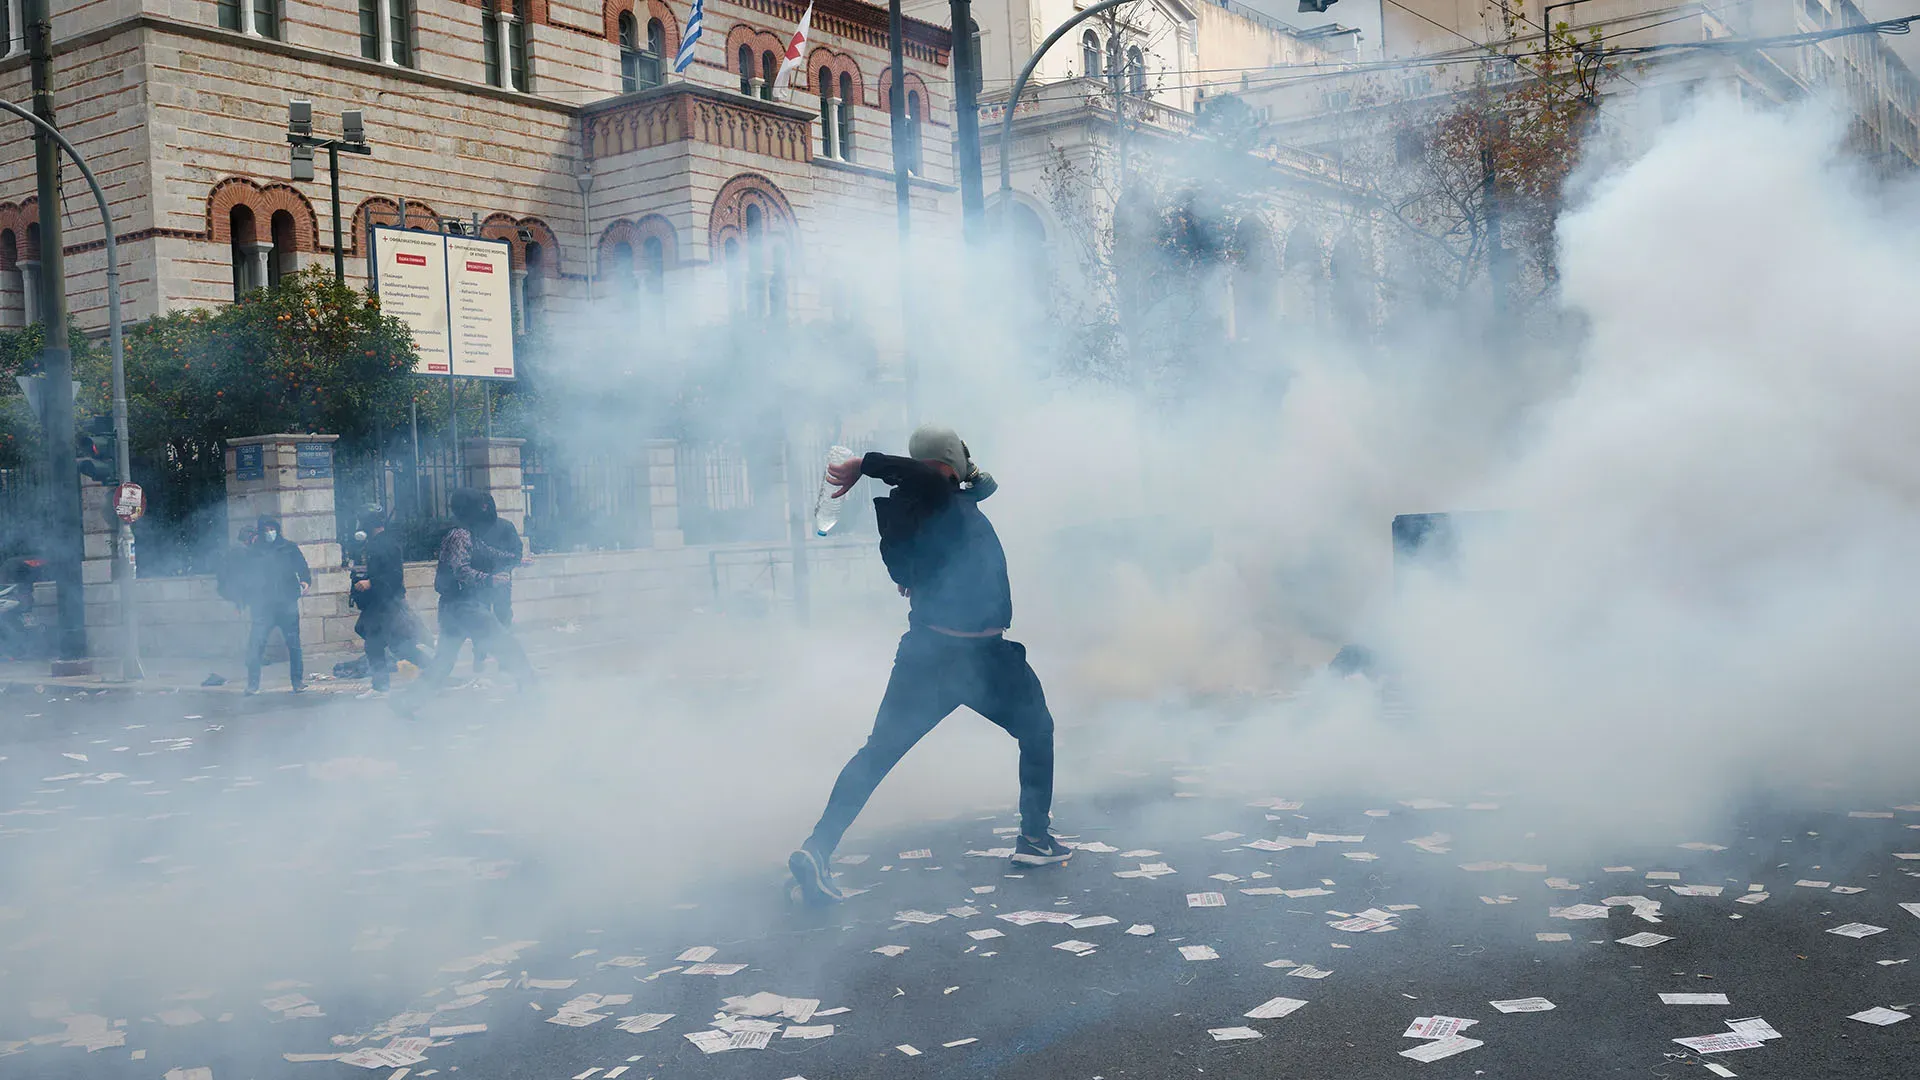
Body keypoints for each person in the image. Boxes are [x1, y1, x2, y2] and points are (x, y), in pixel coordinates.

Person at [788, 426, 1068, 906]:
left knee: (878, 753)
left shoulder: (914, 509)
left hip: (929, 655)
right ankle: (1034, 839)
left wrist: (964, 470)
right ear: (944, 463)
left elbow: (981, 488)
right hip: (979, 658)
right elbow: (936, 478)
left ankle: (818, 848)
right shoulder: (935, 494)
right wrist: (865, 465)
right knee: (1037, 732)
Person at [396, 488, 536, 710]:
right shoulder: (460, 535)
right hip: (465, 606)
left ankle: (406, 702)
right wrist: (490, 580)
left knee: (443, 662)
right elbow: (461, 570)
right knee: (506, 644)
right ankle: (533, 692)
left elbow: (487, 551)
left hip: (453, 607)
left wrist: (517, 560)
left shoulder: (465, 533)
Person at [350, 504, 432, 698]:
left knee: (397, 645)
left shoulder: (386, 544)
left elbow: (395, 576)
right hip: (379, 603)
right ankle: (381, 686)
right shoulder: (376, 543)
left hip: (388, 604)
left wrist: (371, 582)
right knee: (375, 644)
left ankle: (435, 671)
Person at [241, 514, 311, 695]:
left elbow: (302, 567)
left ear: (277, 529)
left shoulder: (288, 547)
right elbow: (245, 576)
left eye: (272, 529)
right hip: (263, 606)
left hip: (286, 602)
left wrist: (305, 582)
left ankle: (298, 682)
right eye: (265, 530)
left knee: (293, 644)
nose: (269, 533)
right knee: (256, 644)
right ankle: (253, 684)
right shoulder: (254, 552)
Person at [469, 492, 523, 674]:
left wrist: (504, 571)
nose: (484, 509)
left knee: (503, 620)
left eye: (486, 505)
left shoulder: (506, 527)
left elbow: (517, 553)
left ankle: (505, 661)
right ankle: (479, 659)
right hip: (480, 583)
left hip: (501, 583)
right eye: (480, 505)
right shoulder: (473, 528)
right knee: (479, 622)